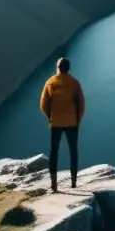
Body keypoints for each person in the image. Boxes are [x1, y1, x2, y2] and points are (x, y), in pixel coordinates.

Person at [39, 56, 85, 192]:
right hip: (72, 122)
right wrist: (77, 120)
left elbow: (43, 104)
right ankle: (74, 183)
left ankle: (54, 185)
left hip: (56, 122)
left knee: (54, 152)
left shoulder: (50, 82)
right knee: (73, 151)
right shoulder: (74, 83)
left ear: (57, 67)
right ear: (68, 68)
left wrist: (50, 117)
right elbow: (81, 104)